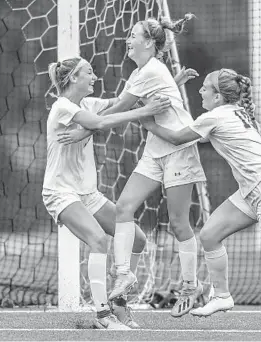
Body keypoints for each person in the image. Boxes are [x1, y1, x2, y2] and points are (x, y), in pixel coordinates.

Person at [139, 68, 261, 329]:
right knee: (209, 235)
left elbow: (178, 138)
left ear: (219, 97)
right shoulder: (235, 111)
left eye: (205, 88)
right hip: (253, 191)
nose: (200, 91)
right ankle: (222, 296)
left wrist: (148, 122)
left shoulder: (215, 116)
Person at [57, 14, 207, 318]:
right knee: (124, 207)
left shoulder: (149, 70)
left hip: (179, 150)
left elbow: (118, 111)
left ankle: (191, 286)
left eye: (134, 35)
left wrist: (82, 131)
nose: (128, 39)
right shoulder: (144, 72)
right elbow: (125, 107)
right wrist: (173, 83)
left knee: (179, 224)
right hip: (156, 150)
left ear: (149, 43)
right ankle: (123, 275)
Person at [43, 56, 170, 329]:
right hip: (60, 193)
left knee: (136, 238)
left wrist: (168, 85)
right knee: (99, 240)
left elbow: (120, 102)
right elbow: (100, 123)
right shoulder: (62, 107)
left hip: (87, 194)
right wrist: (144, 111)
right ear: (74, 78)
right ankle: (103, 315)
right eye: (89, 72)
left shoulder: (87, 103)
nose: (94, 76)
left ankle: (119, 302)